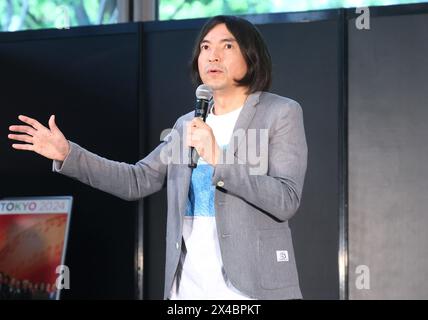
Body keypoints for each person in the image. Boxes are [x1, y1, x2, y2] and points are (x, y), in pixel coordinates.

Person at [8, 15, 308, 300]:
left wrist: (218, 157)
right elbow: (136, 181)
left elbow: (286, 199)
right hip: (187, 288)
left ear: (251, 55)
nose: (212, 56)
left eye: (226, 46)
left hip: (250, 289)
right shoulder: (186, 124)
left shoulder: (280, 113)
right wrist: (68, 154)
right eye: (205, 47)